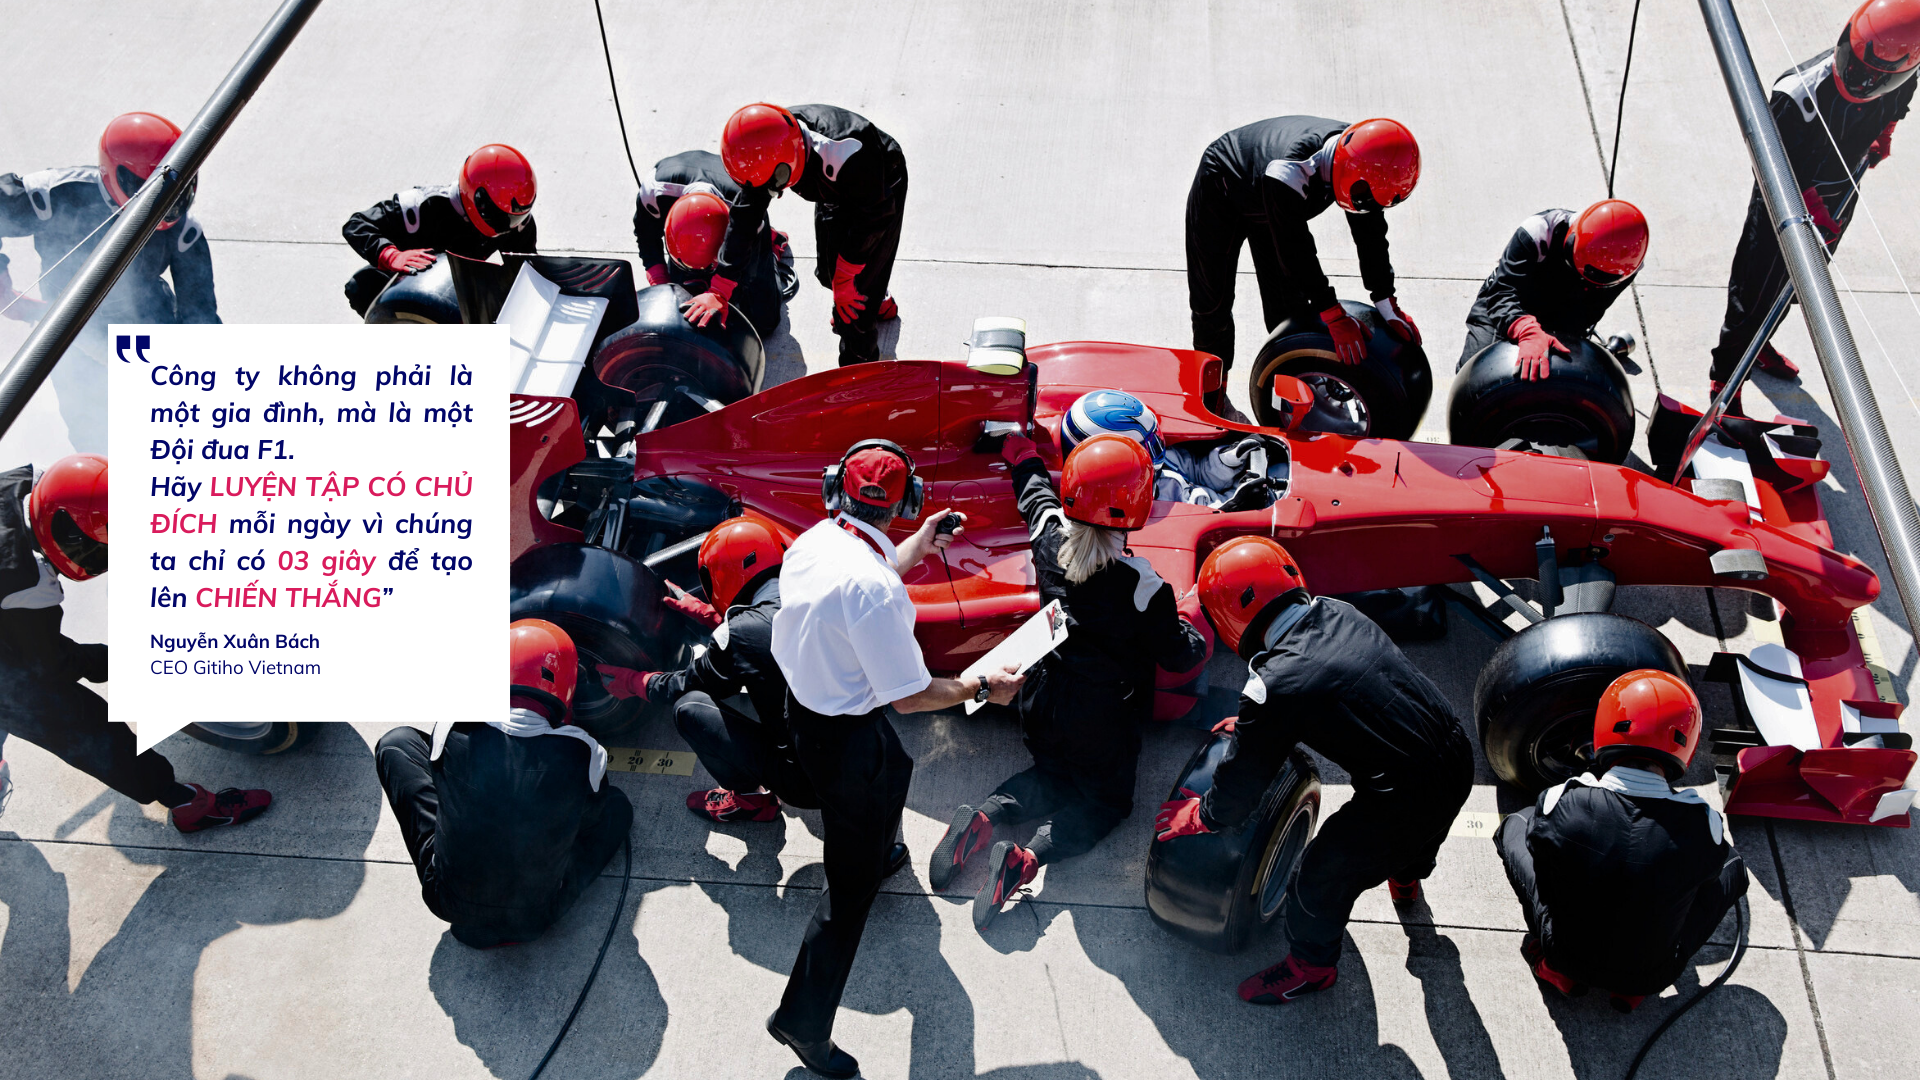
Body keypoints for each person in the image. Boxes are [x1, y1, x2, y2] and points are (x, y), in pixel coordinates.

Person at [762, 439, 1022, 1077]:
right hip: (844, 740)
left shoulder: (813, 542)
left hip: (810, 713)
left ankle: (878, 855)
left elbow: (865, 583)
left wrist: (921, 546)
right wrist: (982, 687)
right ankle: (800, 1022)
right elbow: (911, 696)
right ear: (906, 503)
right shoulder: (876, 590)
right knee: (847, 897)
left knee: (897, 768)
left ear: (837, 489)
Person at [1156, 535, 1472, 1005]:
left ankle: (1312, 969)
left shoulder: (1273, 685)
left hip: (1401, 800)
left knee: (1315, 881)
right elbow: (1341, 688)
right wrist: (1257, 726)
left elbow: (1243, 781)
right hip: (1454, 754)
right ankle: (1406, 880)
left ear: (1229, 617)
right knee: (1425, 832)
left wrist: (1205, 815)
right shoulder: (1342, 613)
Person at [931, 433, 1210, 930]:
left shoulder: (1050, 535)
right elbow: (1180, 653)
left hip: (1041, 696)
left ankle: (985, 815)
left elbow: (1035, 495)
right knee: (1106, 802)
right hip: (1100, 718)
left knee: (1054, 772)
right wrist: (1192, 616)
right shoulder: (1144, 585)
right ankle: (1026, 858)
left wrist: (1022, 453)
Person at [0, 455, 270, 832]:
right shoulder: (25, 582)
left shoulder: (30, 485)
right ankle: (189, 805)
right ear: (69, 537)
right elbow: (53, 664)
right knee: (76, 723)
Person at [1496, 669, 1749, 1012]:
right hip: (1652, 975)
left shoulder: (1562, 801)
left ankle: (1555, 969)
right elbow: (1708, 877)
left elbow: (1540, 854)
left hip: (1567, 955)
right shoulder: (1703, 824)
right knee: (1732, 865)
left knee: (1516, 825)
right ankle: (1629, 992)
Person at [373, 619, 632, 948]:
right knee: (616, 807)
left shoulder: (453, 727)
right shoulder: (586, 752)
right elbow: (590, 820)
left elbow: (442, 779)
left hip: (448, 902)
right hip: (536, 916)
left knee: (397, 743)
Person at [1709, 0, 1918, 395]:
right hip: (1784, 205)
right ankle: (1725, 381)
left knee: (1798, 285)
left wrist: (1885, 133)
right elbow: (1773, 165)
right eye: (1854, 65)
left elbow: (1901, 98)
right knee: (1754, 293)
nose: (1858, 79)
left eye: (1874, 78)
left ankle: (1759, 344)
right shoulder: (1796, 95)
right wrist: (1811, 207)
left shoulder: (1905, 71)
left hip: (1839, 195)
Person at [0, 112, 219, 453]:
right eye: (156, 191)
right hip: (68, 339)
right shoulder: (55, 194)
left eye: (178, 190)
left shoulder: (185, 232)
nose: (170, 204)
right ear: (116, 175)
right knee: (90, 436)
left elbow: (200, 320)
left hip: (148, 333)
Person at [1184, 116, 1423, 411]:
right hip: (1222, 187)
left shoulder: (1368, 160)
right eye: (1361, 198)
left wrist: (1386, 301)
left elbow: (1371, 236)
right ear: (1345, 169)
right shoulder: (1290, 170)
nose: (1363, 205)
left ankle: (1287, 402)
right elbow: (1296, 250)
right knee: (1212, 307)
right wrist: (1333, 314)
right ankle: (1211, 402)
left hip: (1271, 202)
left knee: (1288, 312)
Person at [703, 103, 906, 366]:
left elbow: (875, 216)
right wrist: (720, 289)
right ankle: (872, 294)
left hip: (878, 192)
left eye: (775, 183)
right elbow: (745, 218)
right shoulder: (765, 148)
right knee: (828, 274)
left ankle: (860, 371)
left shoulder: (846, 149)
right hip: (833, 189)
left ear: (792, 155)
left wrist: (848, 275)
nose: (773, 192)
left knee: (855, 306)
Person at [1459, 199, 1650, 379]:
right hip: (1509, 303)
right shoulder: (1539, 231)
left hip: (1565, 310)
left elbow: (1588, 312)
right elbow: (1502, 291)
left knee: (1566, 382)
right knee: (1473, 375)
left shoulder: (1627, 264)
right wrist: (1526, 330)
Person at [340, 143, 537, 317]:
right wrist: (390, 255)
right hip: (413, 281)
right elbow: (357, 224)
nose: (507, 226)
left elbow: (526, 270)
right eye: (501, 217)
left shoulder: (515, 223)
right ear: (477, 198)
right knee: (361, 286)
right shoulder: (421, 206)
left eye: (515, 217)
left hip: (463, 287)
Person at [633, 149, 796, 337]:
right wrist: (660, 284)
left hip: (746, 223)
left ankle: (772, 243)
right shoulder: (654, 192)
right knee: (677, 304)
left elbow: (740, 248)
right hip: (685, 179)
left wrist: (719, 291)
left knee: (764, 321)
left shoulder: (747, 208)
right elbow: (646, 236)